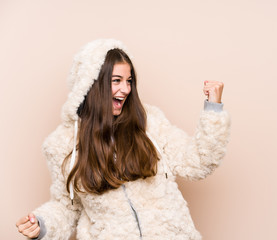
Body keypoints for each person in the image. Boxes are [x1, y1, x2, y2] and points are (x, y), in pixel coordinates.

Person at [15, 39, 230, 240]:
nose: (126, 89)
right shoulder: (62, 144)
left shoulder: (149, 122)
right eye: (116, 81)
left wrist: (213, 109)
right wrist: (42, 224)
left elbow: (198, 162)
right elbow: (66, 207)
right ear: (91, 86)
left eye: (129, 81)